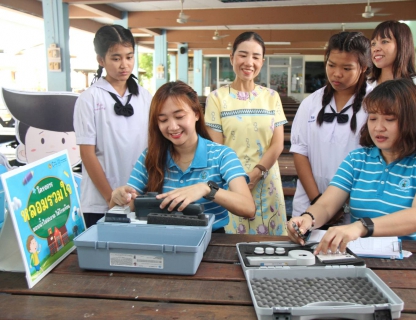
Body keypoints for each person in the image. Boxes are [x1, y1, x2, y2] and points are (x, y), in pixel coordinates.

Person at [287, 79, 416, 255]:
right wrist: (307, 219)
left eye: (389, 119)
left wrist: (362, 226)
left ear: (412, 121)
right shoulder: (358, 159)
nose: (378, 127)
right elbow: (326, 206)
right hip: (364, 256)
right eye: (372, 118)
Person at [110, 81, 255, 232]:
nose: (172, 127)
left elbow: (248, 208)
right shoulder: (150, 157)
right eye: (163, 120)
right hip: (161, 239)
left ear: (197, 114)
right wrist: (118, 198)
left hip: (211, 241)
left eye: (179, 116)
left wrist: (206, 189)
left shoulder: (222, 155)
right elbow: (124, 206)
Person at [204, 32, 288, 235]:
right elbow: (218, 148)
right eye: (242, 55)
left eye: (256, 57)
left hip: (267, 182)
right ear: (232, 58)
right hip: (232, 184)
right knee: (233, 247)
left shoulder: (271, 97)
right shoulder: (216, 98)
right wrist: (240, 180)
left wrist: (257, 173)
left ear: (262, 61)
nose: (249, 62)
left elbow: (277, 144)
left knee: (272, 248)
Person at [73, 25, 152, 228]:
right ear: (101, 60)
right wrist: (111, 197)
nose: (124, 65)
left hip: (138, 200)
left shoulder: (144, 97)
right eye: (116, 58)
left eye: (129, 57)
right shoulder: (89, 98)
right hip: (100, 203)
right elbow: (87, 154)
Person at [290, 32, 373, 220]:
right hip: (309, 204)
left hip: (355, 206)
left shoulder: (375, 103)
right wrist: (318, 202)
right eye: (331, 65)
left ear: (363, 67)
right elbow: (300, 152)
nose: (336, 73)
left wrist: (342, 206)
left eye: (346, 68)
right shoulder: (311, 103)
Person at [370, 20, 416, 120]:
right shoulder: (367, 86)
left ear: (402, 45)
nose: (376, 48)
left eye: (384, 42)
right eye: (373, 43)